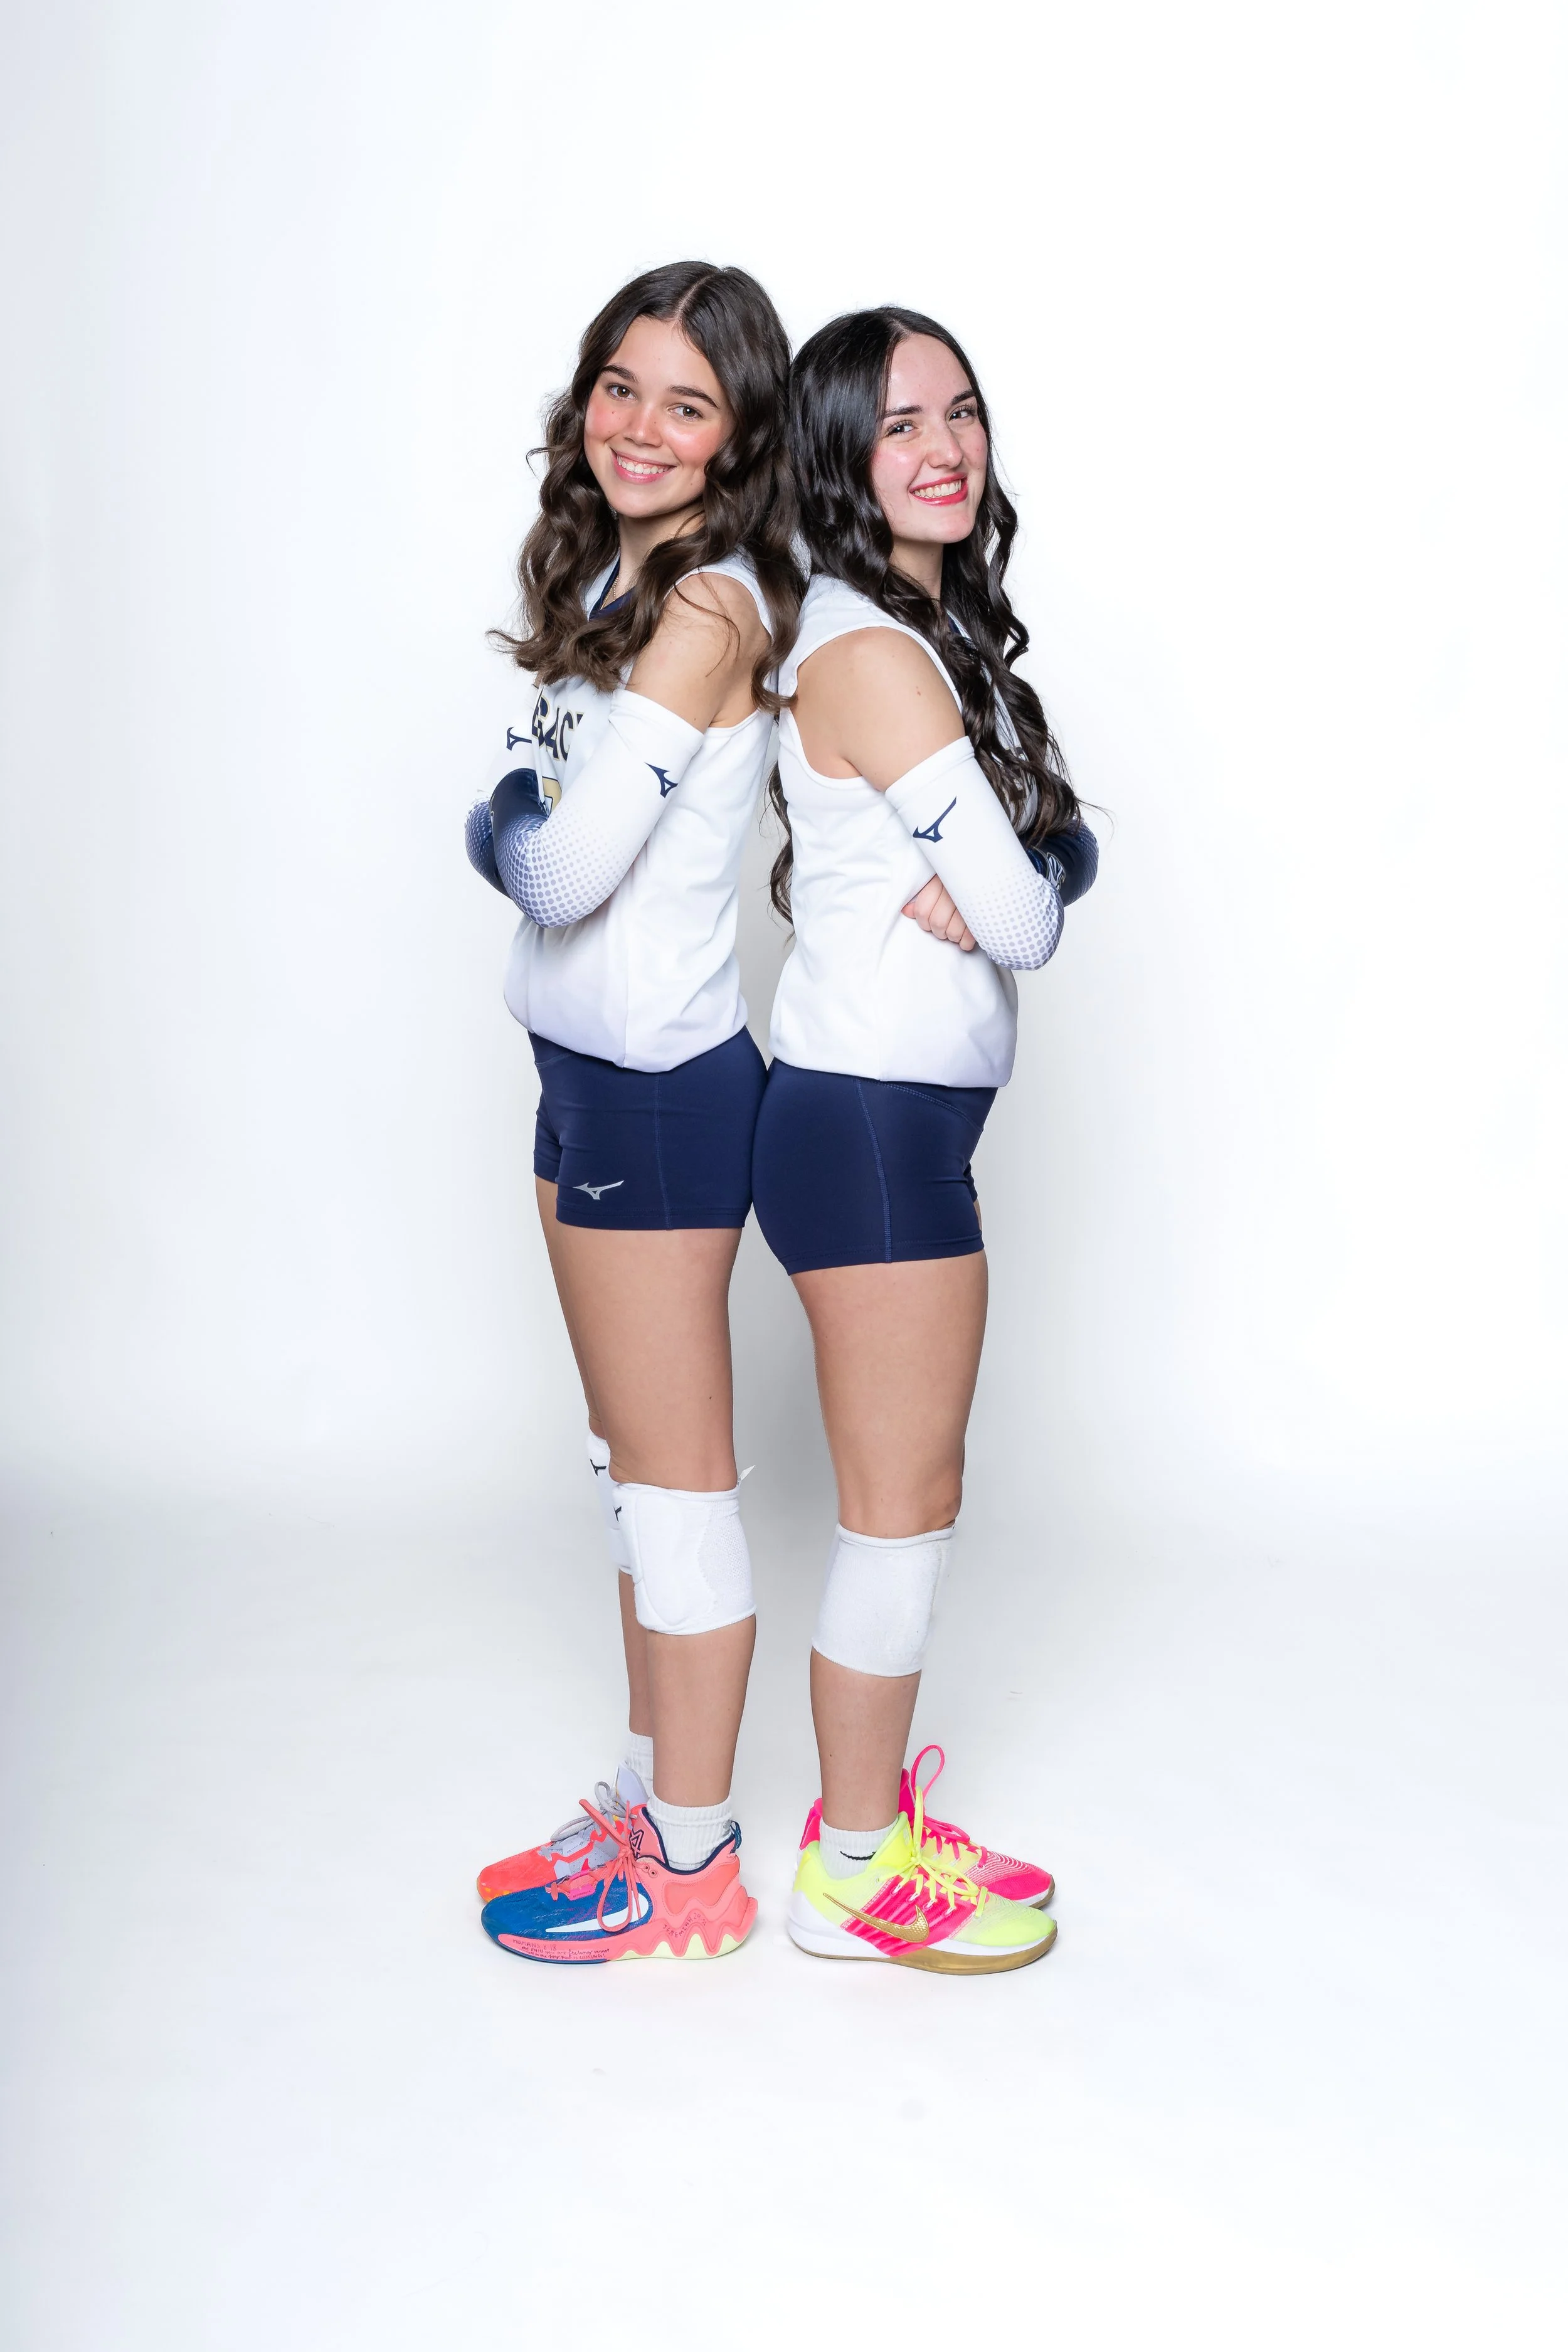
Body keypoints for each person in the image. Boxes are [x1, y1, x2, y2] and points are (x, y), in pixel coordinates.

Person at [751, 307, 1098, 1974]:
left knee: (911, 1493)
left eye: (959, 411)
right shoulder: (871, 655)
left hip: (891, 1122)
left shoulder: (921, 632)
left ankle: (869, 1826)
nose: (944, 447)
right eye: (897, 424)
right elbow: (1027, 915)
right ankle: (851, 1872)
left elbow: (1049, 859)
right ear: (838, 454)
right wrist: (1019, 873)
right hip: (869, 1125)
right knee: (899, 1507)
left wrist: (1028, 863)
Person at [464, 262, 801, 1964]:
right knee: (628, 1475)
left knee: (675, 1490)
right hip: (579, 1079)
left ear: (738, 435)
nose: (640, 427)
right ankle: (650, 1791)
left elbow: (567, 867)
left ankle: (692, 1862)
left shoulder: (710, 609)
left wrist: (497, 824)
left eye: (687, 402)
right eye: (620, 385)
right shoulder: (620, 576)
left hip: (661, 1093)